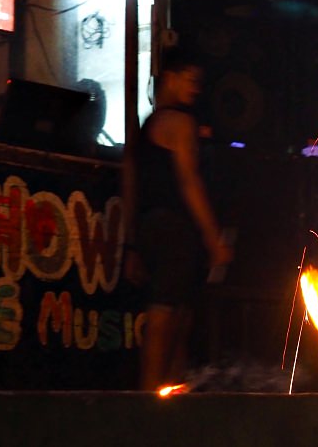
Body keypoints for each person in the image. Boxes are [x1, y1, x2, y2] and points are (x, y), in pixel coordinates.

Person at [127, 47, 233, 391]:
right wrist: (212, 237)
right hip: (176, 227)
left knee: (176, 310)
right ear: (170, 77)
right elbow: (189, 182)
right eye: (191, 79)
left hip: (150, 226)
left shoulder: (145, 128)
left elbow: (130, 186)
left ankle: (166, 391)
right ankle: (153, 395)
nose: (196, 88)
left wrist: (131, 244)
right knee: (168, 310)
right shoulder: (181, 123)